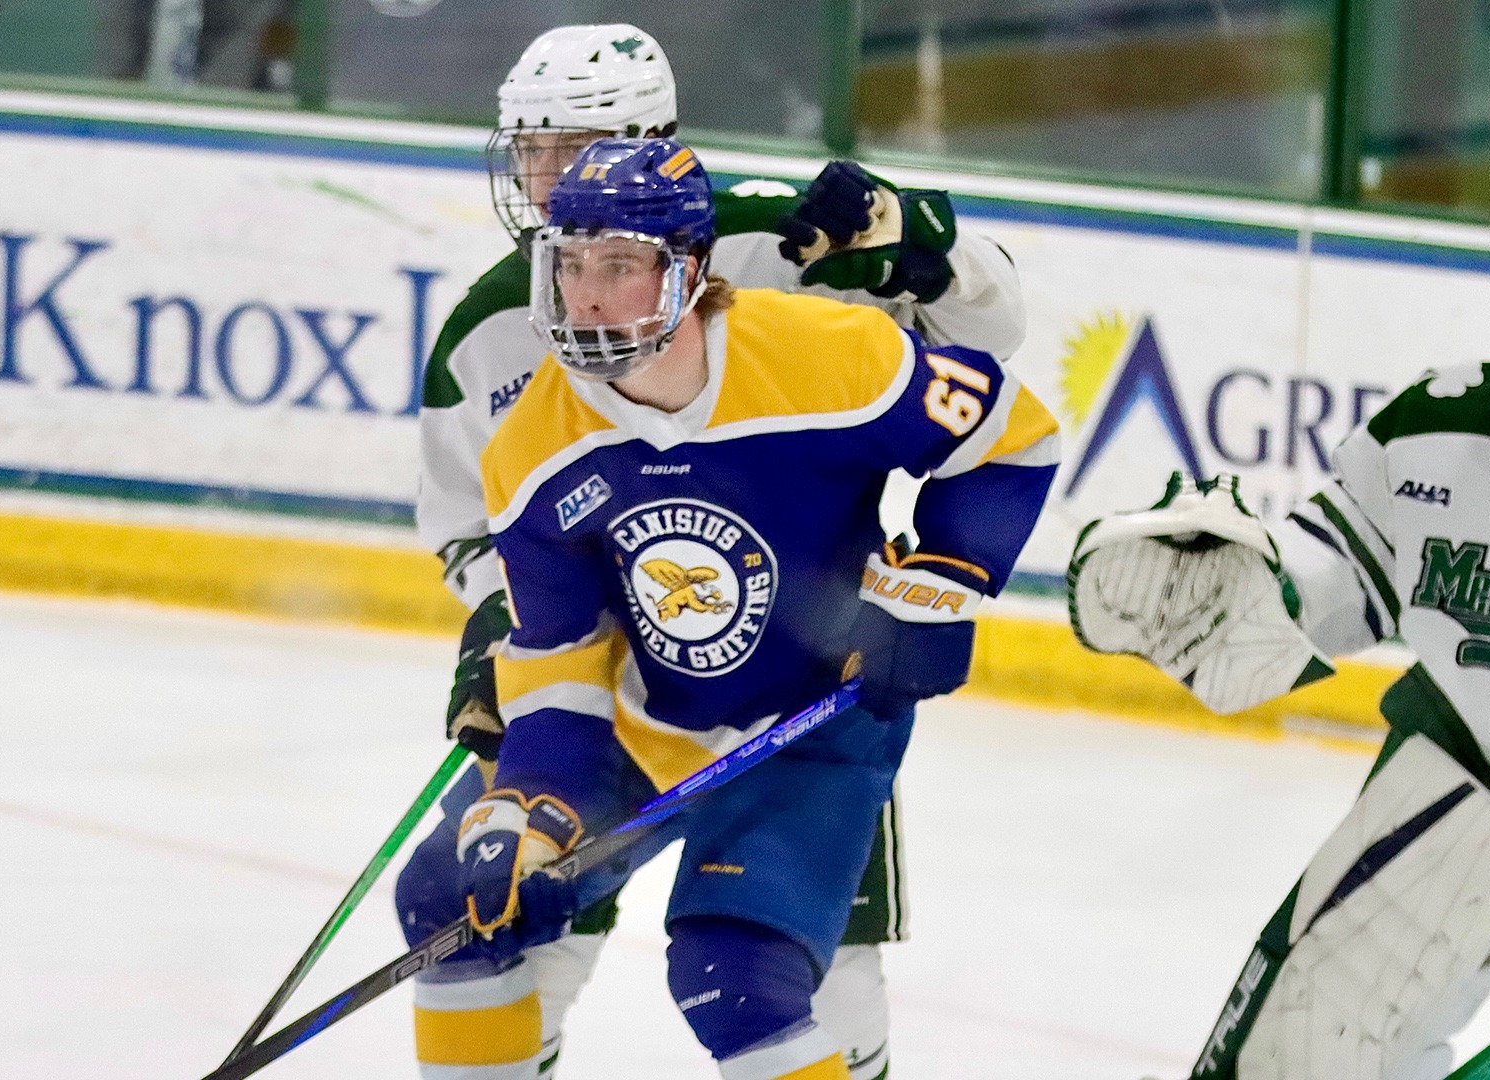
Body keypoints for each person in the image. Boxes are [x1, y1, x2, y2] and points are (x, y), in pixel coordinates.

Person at [398, 21, 1028, 1080]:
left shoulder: (770, 243)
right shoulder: (487, 329)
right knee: (470, 907)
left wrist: (925, 242)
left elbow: (988, 352)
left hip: (811, 663)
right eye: (534, 149)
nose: (552, 178)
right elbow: (473, 524)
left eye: (579, 144)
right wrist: (508, 617)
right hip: (619, 691)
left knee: (801, 978)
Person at [1068, 210, 1490, 1079]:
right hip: (1458, 761)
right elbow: (1346, 564)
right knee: (1296, 1046)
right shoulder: (1440, 424)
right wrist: (1257, 586)